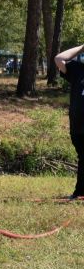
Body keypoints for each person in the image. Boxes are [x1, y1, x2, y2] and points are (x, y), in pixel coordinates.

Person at [54, 45, 84, 200]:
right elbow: (59, 59)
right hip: (77, 127)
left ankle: (79, 192)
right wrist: (81, 48)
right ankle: (80, 192)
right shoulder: (77, 70)